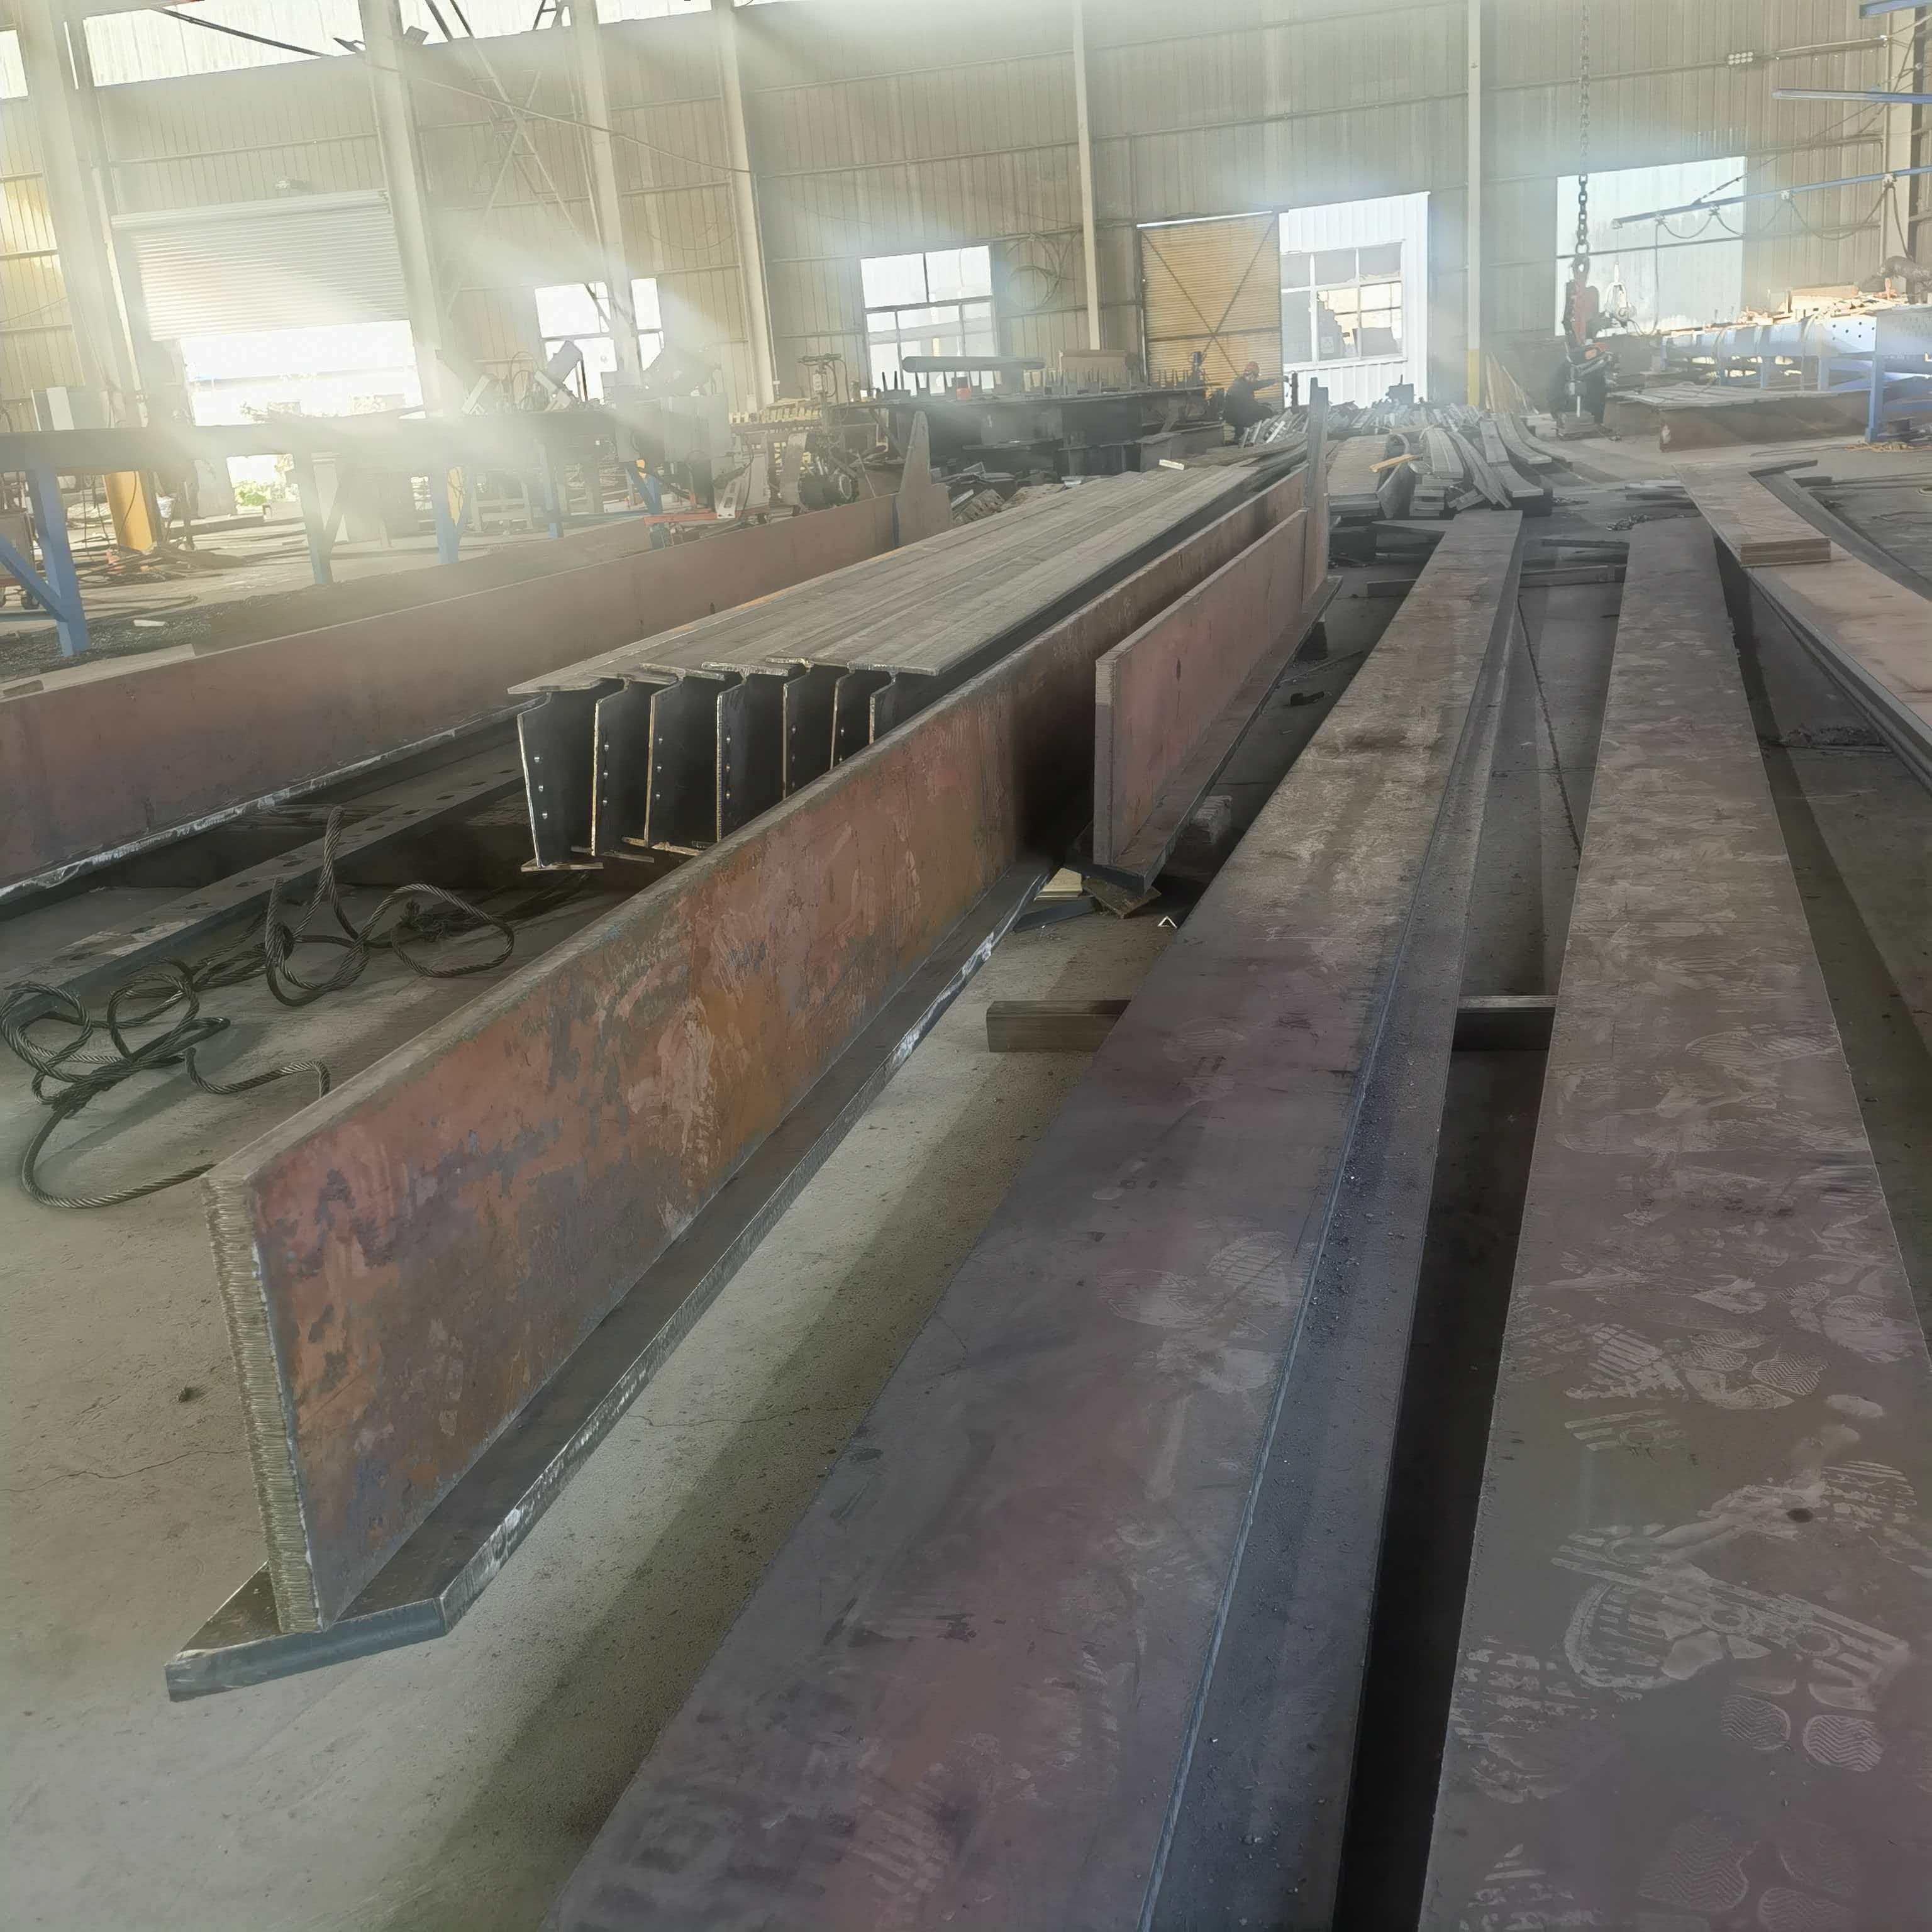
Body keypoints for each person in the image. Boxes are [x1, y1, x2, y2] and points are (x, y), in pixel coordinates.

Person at [1219, 360, 1280, 434]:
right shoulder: (1242, 385)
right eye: (1256, 377)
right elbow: (1250, 404)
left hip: (1234, 414)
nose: (1256, 379)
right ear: (1251, 375)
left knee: (1264, 408)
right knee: (1267, 412)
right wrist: (1268, 409)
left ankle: (1240, 437)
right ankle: (1261, 435)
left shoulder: (1241, 381)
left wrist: (1275, 381)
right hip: (1237, 415)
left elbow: (1258, 385)